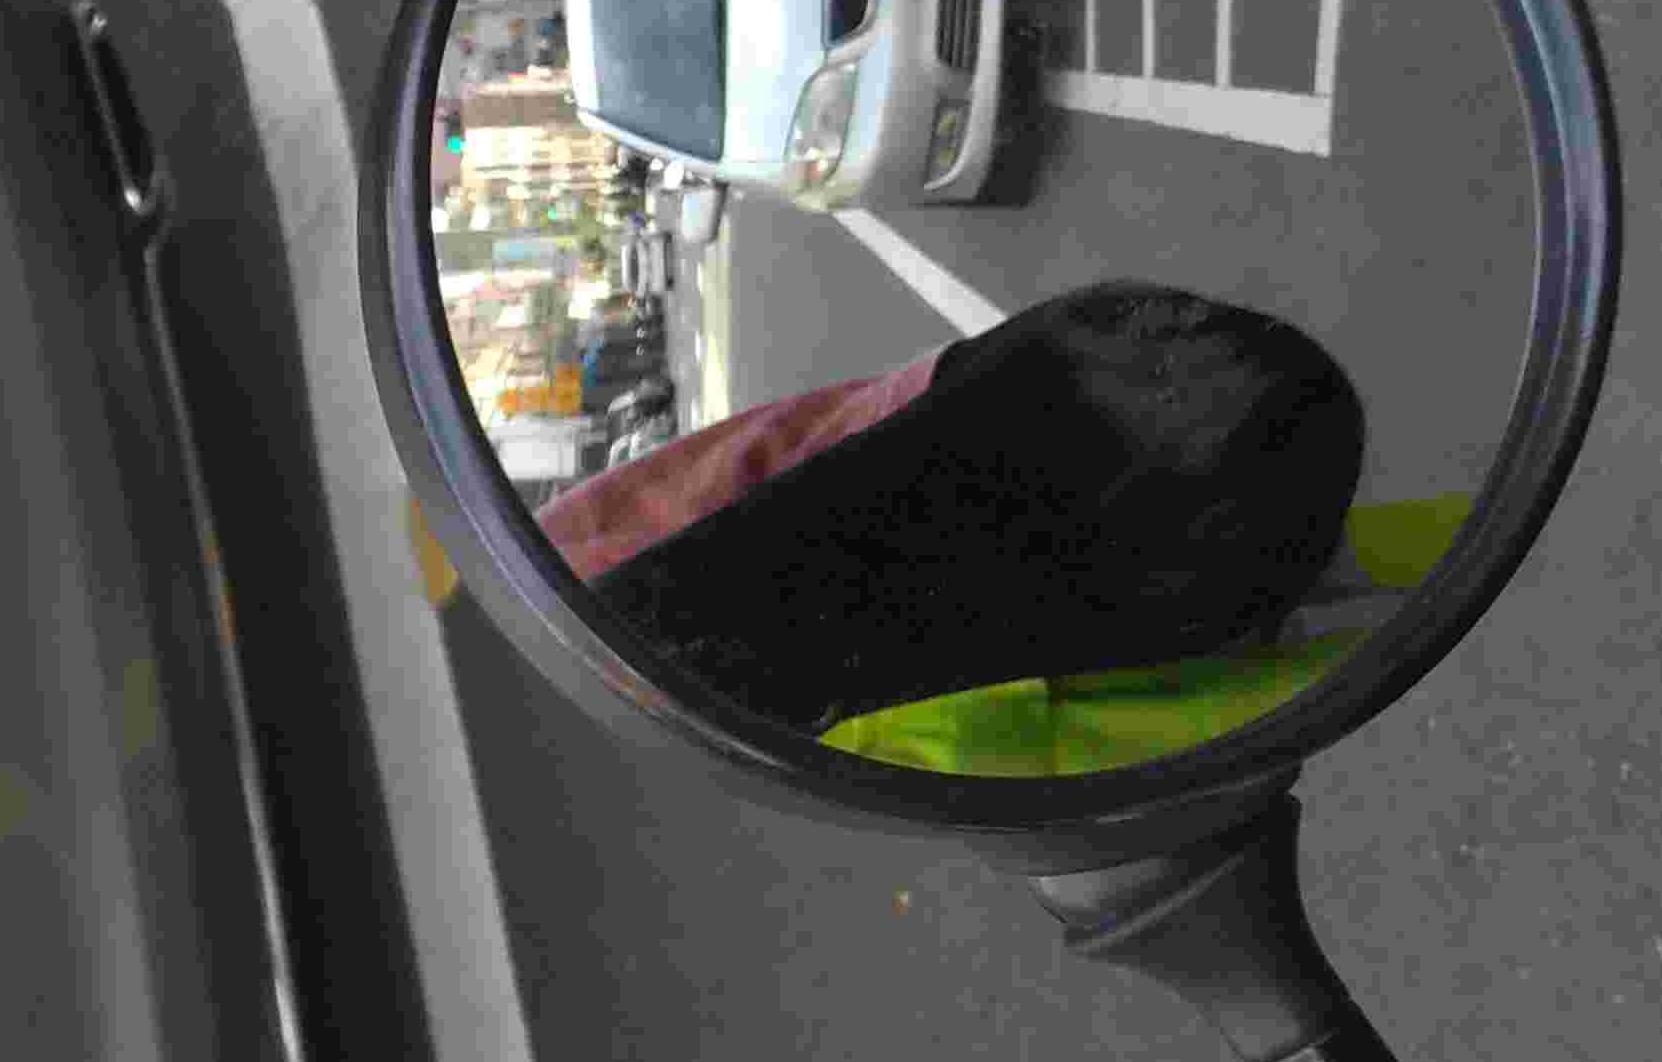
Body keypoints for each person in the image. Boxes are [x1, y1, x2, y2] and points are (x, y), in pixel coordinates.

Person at [538, 281, 1372, 755]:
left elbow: (731, 474)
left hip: (960, 656)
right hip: (1020, 455)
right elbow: (736, 468)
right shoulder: (536, 580)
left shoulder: (543, 587)